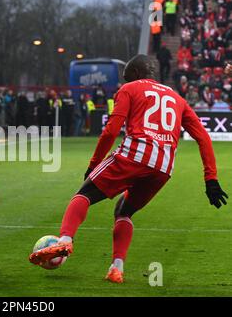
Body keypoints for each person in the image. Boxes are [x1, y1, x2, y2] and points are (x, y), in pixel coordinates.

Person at [29, 55, 228, 284]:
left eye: (125, 78)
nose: (123, 82)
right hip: (162, 167)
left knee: (83, 194)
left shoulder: (130, 89)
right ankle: (116, 268)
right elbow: (203, 137)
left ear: (134, 74)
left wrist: (94, 165)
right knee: (123, 212)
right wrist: (210, 179)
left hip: (134, 155)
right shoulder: (177, 98)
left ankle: (64, 240)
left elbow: (111, 130)